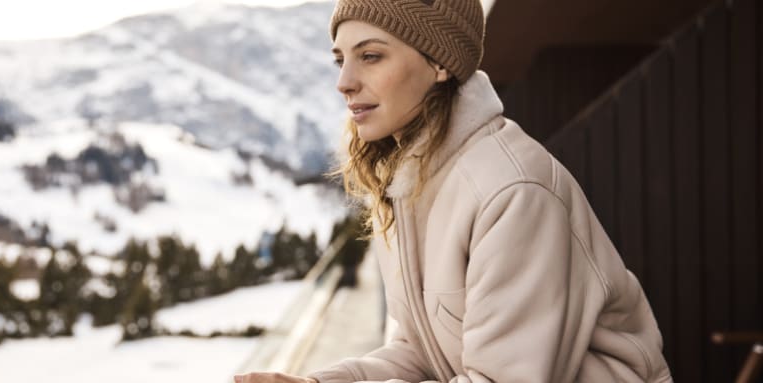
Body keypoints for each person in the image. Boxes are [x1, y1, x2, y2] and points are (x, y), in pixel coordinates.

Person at [235, 0, 672, 382]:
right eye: (340, 60)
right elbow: (422, 350)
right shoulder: (410, 181)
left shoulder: (512, 190)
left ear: (440, 63)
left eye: (370, 56)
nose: (344, 81)